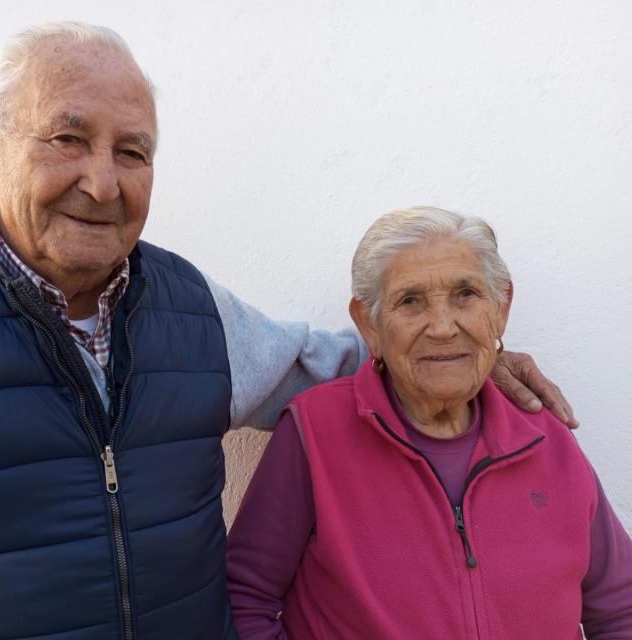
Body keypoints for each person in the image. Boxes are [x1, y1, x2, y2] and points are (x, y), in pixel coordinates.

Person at [0, 23, 574, 640]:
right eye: (68, 139)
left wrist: (462, 357)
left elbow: (331, 364)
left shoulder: (195, 310)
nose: (101, 181)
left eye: (133, 152)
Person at [226, 206, 632, 639]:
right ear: (370, 325)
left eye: (466, 295)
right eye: (410, 301)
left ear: (501, 309)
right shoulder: (314, 431)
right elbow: (245, 598)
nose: (442, 327)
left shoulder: (544, 435)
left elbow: (621, 608)